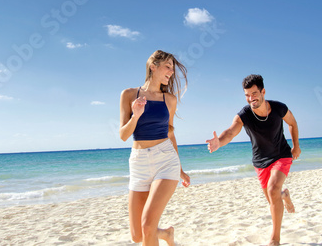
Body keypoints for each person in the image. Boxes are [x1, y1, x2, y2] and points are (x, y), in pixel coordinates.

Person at [206, 74, 301, 246]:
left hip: (281, 155)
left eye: (254, 93)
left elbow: (293, 123)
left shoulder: (279, 108)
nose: (251, 98)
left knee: (272, 190)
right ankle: (284, 195)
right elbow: (230, 132)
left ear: (263, 91)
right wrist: (219, 141)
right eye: (247, 95)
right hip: (260, 161)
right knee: (273, 198)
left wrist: (296, 146)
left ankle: (275, 239)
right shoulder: (245, 114)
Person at [120, 50, 190, 246]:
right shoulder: (128, 95)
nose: (171, 72)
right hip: (138, 162)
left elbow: (170, 133)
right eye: (167, 67)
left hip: (165, 160)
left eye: (173, 69)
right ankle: (166, 234)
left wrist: (181, 170)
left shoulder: (169, 100)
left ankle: (161, 234)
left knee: (148, 226)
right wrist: (136, 115)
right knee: (137, 235)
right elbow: (124, 135)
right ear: (153, 66)